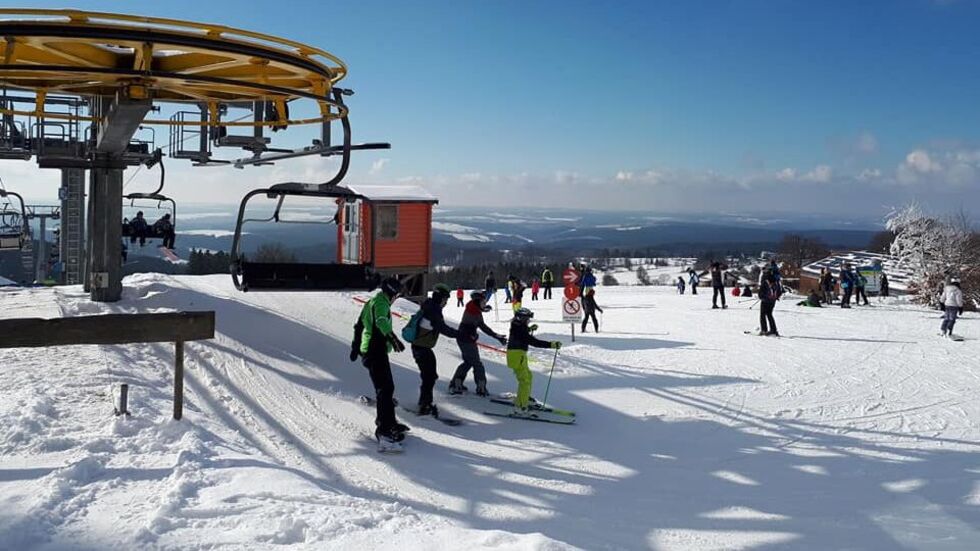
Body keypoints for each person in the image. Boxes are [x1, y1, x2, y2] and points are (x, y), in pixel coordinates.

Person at [356, 277, 408, 452]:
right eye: (397, 295)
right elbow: (380, 321)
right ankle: (384, 432)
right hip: (374, 350)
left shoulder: (376, 300)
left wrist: (357, 345)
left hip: (374, 350)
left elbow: (361, 322)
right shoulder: (380, 303)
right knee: (384, 389)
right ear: (392, 293)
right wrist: (393, 338)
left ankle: (388, 422)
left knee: (387, 388)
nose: (396, 298)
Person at [410, 283, 460, 416]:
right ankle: (425, 405)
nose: (446, 302)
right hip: (421, 348)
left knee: (430, 375)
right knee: (429, 376)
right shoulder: (433, 310)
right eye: (445, 299)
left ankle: (424, 402)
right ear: (440, 298)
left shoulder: (430, 306)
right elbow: (443, 328)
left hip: (422, 347)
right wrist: (460, 334)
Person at [450, 290, 507, 396]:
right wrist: (473, 335)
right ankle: (481, 387)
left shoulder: (474, 308)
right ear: (477, 301)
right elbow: (476, 325)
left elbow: (481, 325)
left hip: (466, 339)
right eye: (483, 302)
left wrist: (496, 336)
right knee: (477, 364)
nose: (484, 304)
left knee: (468, 362)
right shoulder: (472, 312)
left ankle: (456, 382)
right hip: (466, 340)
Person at [507, 308, 561, 417]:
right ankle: (521, 407)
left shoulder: (518, 326)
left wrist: (529, 329)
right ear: (521, 318)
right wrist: (551, 344)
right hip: (517, 356)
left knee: (528, 376)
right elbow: (533, 342)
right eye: (527, 319)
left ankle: (523, 399)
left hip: (520, 355)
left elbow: (523, 333)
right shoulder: (519, 329)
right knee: (524, 381)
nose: (529, 321)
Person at [759, 268, 781, 336]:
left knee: (763, 315)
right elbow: (779, 291)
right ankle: (773, 330)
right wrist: (776, 297)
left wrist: (762, 297)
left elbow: (761, 291)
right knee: (769, 315)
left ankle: (764, 330)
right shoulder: (776, 282)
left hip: (765, 301)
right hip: (772, 301)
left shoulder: (765, 281)